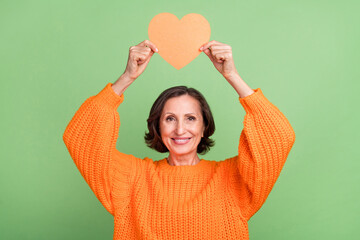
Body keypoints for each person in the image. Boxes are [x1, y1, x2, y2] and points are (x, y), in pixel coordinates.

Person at [63, 40, 296, 239]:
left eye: (191, 118)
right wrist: (127, 77)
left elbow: (279, 136)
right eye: (170, 119)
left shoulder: (233, 180)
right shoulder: (132, 179)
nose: (180, 129)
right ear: (157, 126)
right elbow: (80, 138)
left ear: (205, 127)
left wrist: (232, 75)